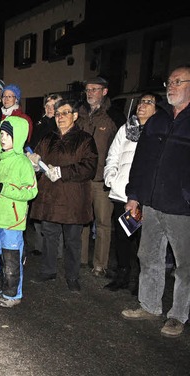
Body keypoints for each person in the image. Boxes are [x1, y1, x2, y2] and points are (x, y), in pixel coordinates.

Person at [121, 65, 190, 338]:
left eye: (177, 81)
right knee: (148, 255)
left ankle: (178, 315)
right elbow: (141, 162)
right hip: (150, 202)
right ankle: (149, 305)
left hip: (181, 208)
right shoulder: (158, 120)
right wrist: (134, 195)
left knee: (185, 265)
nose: (170, 86)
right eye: (169, 82)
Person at [28, 99, 98, 292]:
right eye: (58, 114)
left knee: (73, 240)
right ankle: (48, 270)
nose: (60, 117)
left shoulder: (85, 139)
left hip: (73, 199)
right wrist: (34, 164)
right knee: (49, 235)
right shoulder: (48, 138)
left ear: (75, 116)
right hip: (50, 197)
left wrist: (62, 172)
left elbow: (89, 167)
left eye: (65, 113)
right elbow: (38, 160)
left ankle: (72, 276)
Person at [103, 92, 161, 292]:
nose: (142, 105)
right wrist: (111, 177)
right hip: (122, 193)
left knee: (142, 239)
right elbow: (113, 155)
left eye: (148, 102)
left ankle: (140, 281)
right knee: (122, 237)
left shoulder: (158, 131)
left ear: (156, 108)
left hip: (144, 196)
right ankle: (122, 275)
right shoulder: (126, 128)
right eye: (141, 102)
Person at [0, 116, 38, 308]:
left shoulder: (23, 163)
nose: (3, 138)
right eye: (1, 134)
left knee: (11, 260)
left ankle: (13, 294)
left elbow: (31, 191)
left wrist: (3, 188)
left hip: (12, 221)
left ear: (18, 136)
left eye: (8, 135)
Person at [77, 76, 126, 276]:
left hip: (101, 180)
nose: (90, 93)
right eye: (88, 89)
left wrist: (113, 175)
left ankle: (100, 264)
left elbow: (121, 149)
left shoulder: (114, 117)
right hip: (82, 177)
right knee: (82, 220)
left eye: (94, 89)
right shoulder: (79, 114)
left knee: (104, 223)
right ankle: (80, 259)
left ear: (104, 92)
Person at [27, 93, 63, 257]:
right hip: (37, 171)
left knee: (54, 214)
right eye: (47, 106)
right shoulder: (40, 123)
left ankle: (56, 251)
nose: (49, 109)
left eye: (53, 106)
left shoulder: (60, 125)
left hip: (53, 172)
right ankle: (40, 246)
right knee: (38, 210)